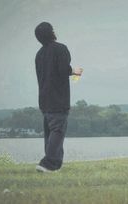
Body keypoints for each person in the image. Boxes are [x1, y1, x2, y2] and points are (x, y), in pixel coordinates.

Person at [34, 22, 83, 172]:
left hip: (44, 99)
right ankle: (47, 163)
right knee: (57, 130)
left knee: (50, 132)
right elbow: (63, 70)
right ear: (51, 33)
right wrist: (74, 71)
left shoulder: (39, 54)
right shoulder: (60, 49)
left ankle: (55, 165)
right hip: (58, 99)